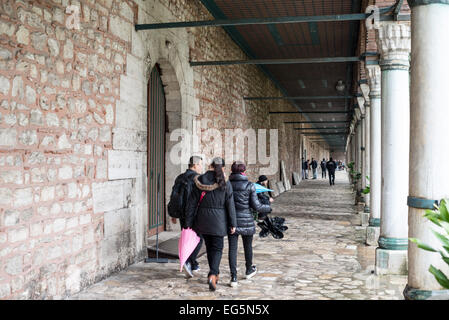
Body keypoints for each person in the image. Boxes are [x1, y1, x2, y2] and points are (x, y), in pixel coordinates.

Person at [185, 157, 237, 291]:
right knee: (218, 248)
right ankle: (213, 274)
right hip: (219, 222)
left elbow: (191, 204)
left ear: (210, 165)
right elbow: (230, 204)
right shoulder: (225, 182)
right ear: (223, 168)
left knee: (209, 248)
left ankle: (213, 273)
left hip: (202, 221)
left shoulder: (199, 180)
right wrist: (233, 223)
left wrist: (188, 223)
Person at [228, 162, 272, 287]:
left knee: (232, 249)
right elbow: (256, 206)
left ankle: (234, 277)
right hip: (246, 220)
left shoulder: (227, 185)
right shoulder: (249, 186)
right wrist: (267, 207)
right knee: (248, 246)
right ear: (244, 172)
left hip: (232, 222)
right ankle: (248, 269)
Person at [169, 156, 203, 278]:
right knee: (198, 238)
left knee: (187, 237)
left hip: (182, 214)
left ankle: (193, 263)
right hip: (192, 213)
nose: (201, 167)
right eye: (200, 165)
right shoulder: (197, 179)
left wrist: (173, 213)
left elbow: (174, 196)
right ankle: (188, 260)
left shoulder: (180, 177)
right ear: (194, 165)